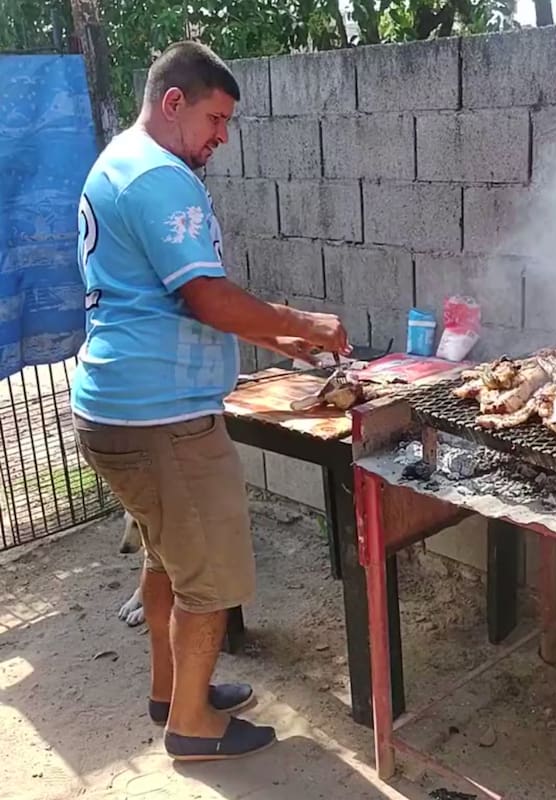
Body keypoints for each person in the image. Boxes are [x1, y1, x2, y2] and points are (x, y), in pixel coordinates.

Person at [70, 40, 351, 761]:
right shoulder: (161, 177)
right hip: (162, 421)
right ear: (174, 103)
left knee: (168, 564)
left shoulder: (119, 162)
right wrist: (304, 322)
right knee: (210, 581)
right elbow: (203, 294)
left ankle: (175, 696)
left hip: (120, 409)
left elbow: (177, 299)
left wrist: (276, 338)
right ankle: (192, 730)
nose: (221, 137)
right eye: (216, 119)